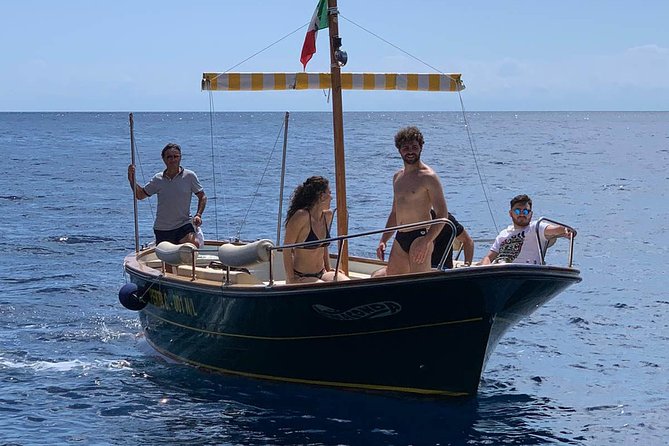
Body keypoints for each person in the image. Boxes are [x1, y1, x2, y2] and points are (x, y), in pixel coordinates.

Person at [375, 126, 448, 275]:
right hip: (400, 236)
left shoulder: (429, 177)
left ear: (421, 148)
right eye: (406, 147)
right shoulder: (397, 177)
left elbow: (442, 215)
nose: (410, 151)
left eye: (414, 147)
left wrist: (427, 240)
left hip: (420, 236)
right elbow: (395, 213)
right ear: (399, 150)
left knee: (418, 284)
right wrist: (383, 240)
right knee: (393, 280)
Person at [127, 143, 207, 246]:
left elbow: (202, 197)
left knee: (191, 246)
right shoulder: (158, 179)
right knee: (169, 260)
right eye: (169, 157)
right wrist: (131, 179)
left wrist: (198, 215)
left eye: (176, 156)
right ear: (164, 159)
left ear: (180, 158)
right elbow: (140, 195)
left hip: (184, 224)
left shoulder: (189, 176)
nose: (173, 160)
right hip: (163, 228)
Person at [283, 176, 349, 284]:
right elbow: (286, 250)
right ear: (321, 196)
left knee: (346, 283)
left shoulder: (327, 215)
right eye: (329, 193)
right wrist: (291, 278)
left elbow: (323, 246)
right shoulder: (301, 216)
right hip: (301, 276)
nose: (331, 198)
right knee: (323, 288)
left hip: (322, 272)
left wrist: (329, 268)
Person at [481, 194, 576, 265]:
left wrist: (564, 230)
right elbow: (489, 257)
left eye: (526, 211)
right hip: (502, 271)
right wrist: (484, 270)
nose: (522, 214)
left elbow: (554, 230)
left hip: (528, 271)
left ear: (531, 214)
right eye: (517, 211)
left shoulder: (536, 227)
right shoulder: (503, 234)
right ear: (510, 213)